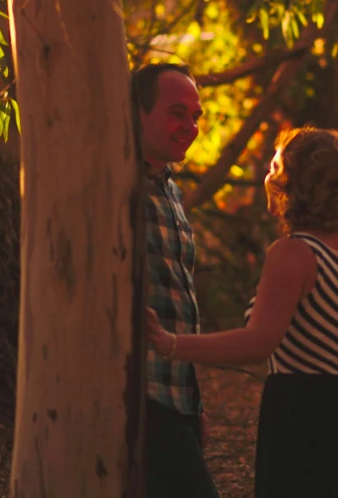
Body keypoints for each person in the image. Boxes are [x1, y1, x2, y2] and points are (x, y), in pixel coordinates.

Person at [146, 126, 338, 498]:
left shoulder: (292, 254)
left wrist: (170, 344)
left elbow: (257, 344)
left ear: (293, 183)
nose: (268, 177)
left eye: (274, 167)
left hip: (305, 418)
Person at [132, 62, 220, 498]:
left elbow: (178, 301)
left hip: (175, 395)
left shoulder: (169, 188)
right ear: (137, 112)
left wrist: (194, 405)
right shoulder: (114, 183)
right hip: (137, 395)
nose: (191, 126)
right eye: (177, 112)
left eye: (196, 116)